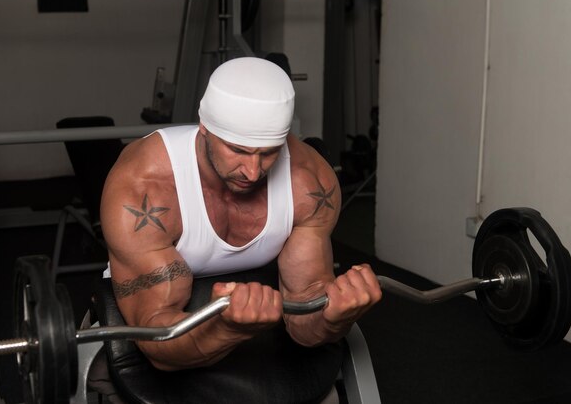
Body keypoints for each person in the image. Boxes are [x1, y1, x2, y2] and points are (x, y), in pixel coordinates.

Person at [99, 57, 382, 397]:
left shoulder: (310, 182)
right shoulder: (144, 187)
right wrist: (225, 329)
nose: (253, 172)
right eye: (238, 150)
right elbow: (157, 341)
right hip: (171, 321)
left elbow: (305, 315)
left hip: (262, 302)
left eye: (268, 153)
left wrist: (334, 317)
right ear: (205, 128)